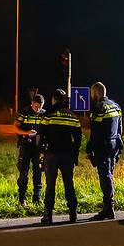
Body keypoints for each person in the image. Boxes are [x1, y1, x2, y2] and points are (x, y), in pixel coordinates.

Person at [38, 89, 81, 225]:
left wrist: (40, 152)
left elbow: (40, 135)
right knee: (69, 182)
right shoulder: (72, 116)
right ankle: (73, 214)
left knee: (50, 184)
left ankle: (48, 215)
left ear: (54, 100)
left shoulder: (49, 115)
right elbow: (78, 138)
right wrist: (74, 152)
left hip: (52, 154)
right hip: (68, 154)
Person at [85, 82, 123, 221]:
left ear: (95, 93)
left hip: (103, 146)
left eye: (91, 93)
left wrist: (89, 149)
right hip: (114, 145)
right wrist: (119, 147)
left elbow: (95, 133)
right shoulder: (116, 106)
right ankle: (109, 206)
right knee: (109, 175)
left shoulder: (98, 108)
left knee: (105, 176)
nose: (90, 96)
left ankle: (109, 208)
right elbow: (120, 130)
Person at [15, 93, 45, 206]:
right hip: (26, 146)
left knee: (38, 173)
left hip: (38, 148)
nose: (38, 109)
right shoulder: (25, 112)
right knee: (23, 172)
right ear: (32, 103)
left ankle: (37, 199)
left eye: (40, 106)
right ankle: (22, 199)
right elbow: (15, 127)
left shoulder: (44, 114)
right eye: (36, 106)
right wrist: (26, 133)